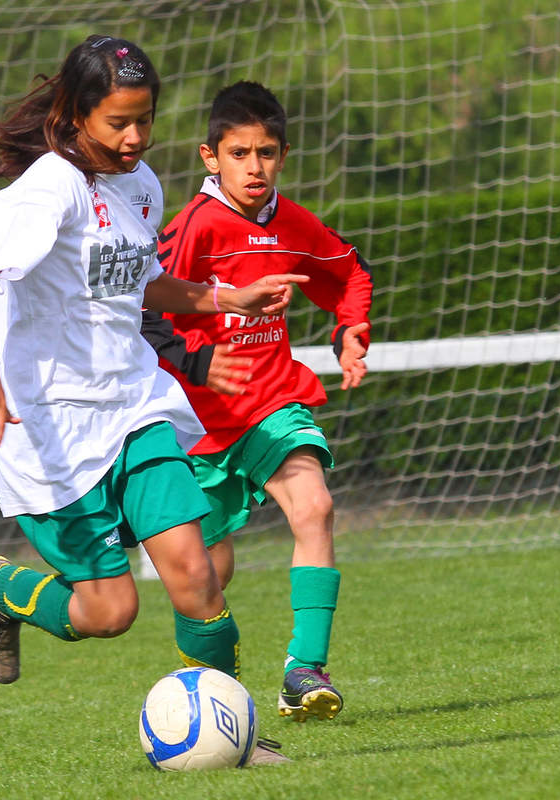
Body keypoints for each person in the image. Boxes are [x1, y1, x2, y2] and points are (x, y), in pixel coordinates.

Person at [0, 39, 304, 765]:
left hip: (133, 404)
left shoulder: (140, 183)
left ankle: (234, 732)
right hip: (47, 424)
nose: (135, 137)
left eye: (144, 119)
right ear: (75, 115)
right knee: (110, 612)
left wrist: (221, 295)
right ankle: (3, 589)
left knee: (197, 570)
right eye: (117, 122)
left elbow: (137, 281)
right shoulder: (47, 189)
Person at [141, 80, 373, 722]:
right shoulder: (190, 228)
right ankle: (208, 698)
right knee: (206, 576)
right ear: (210, 157)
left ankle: (304, 669)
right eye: (239, 153)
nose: (255, 167)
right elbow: (141, 308)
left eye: (266, 153)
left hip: (273, 401)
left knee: (315, 505)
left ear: (283, 154)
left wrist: (351, 328)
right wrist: (197, 362)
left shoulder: (293, 223)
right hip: (195, 423)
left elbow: (348, 270)